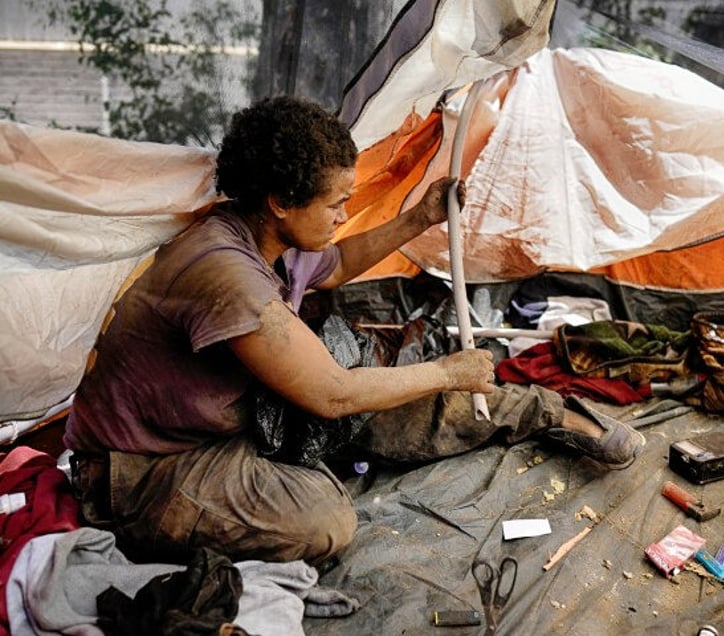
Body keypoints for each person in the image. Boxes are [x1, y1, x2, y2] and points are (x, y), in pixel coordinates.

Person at [64, 96, 644, 567]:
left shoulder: (273, 240)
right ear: (281, 202)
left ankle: (550, 415)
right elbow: (332, 394)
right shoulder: (224, 271)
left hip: (241, 418)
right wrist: (447, 370)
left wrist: (418, 218)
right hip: (146, 468)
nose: (345, 214)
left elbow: (337, 265)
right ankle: (280, 481)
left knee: (396, 393)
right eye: (337, 202)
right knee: (327, 521)